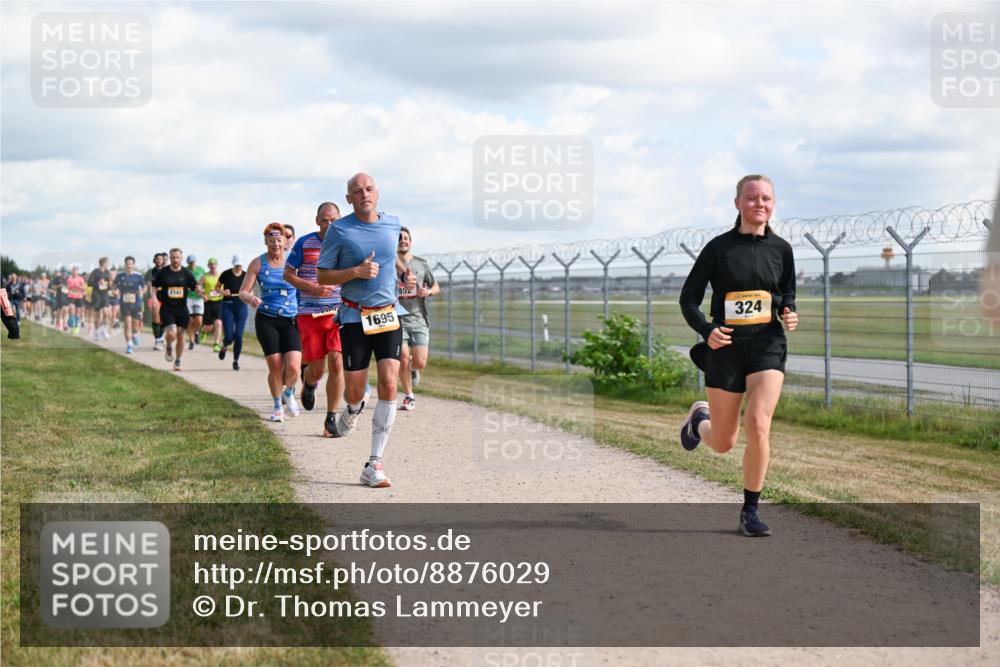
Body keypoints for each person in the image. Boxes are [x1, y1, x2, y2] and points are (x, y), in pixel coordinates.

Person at [678, 174, 798, 538]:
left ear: (772, 204)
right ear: (738, 204)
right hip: (725, 348)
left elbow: (787, 295)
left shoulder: (782, 250)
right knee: (724, 442)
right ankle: (700, 419)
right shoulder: (718, 249)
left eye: (765, 198)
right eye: (751, 198)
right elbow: (688, 299)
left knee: (759, 423)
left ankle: (750, 510)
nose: (759, 204)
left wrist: (789, 312)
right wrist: (707, 330)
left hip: (767, 346)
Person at [317, 173, 416, 488]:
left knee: (389, 383)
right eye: (357, 191)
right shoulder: (339, 230)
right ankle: (354, 407)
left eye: (369, 189)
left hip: (388, 314)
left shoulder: (392, 224)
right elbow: (322, 276)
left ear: (378, 193)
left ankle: (374, 463)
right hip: (354, 316)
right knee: (355, 390)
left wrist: (405, 276)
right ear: (349, 198)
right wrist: (354, 272)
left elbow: (392, 258)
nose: (364, 194)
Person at [284, 202, 346, 435]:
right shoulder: (304, 243)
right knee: (317, 369)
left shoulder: (346, 244)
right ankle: (309, 383)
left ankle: (331, 418)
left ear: (339, 220)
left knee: (337, 362)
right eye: (324, 220)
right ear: (317, 220)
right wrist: (312, 287)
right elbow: (288, 274)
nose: (328, 224)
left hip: (338, 313)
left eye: (333, 220)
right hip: (309, 313)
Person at [241, 222, 302, 422]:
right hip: (267, 319)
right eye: (271, 240)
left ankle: (290, 392)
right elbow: (243, 291)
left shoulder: (294, 262)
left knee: (293, 367)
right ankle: (277, 408)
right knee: (275, 365)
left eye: (279, 239)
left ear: (286, 241)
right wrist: (250, 298)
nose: (276, 243)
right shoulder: (258, 263)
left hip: (291, 319)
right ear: (266, 241)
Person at [396, 226, 439, 410]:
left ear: (410, 242)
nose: (403, 240)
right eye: (399, 238)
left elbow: (436, 286)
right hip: (397, 318)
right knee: (403, 357)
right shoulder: (389, 263)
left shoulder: (421, 264)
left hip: (418, 318)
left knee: (419, 361)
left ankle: (413, 370)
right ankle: (409, 395)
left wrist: (427, 291)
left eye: (406, 237)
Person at [153, 248, 200, 371]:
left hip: (182, 309)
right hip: (167, 308)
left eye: (177, 257)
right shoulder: (163, 272)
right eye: (173, 257)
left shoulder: (186, 273)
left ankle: (178, 360)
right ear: (170, 257)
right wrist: (153, 298)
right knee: (172, 332)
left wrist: (201, 291)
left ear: (181, 258)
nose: (175, 260)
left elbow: (195, 286)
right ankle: (168, 345)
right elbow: (154, 286)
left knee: (180, 335)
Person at [218, 255, 249, 370]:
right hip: (228, 306)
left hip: (241, 306)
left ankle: (236, 361)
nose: (238, 267)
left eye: (240, 265)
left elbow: (250, 289)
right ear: (233, 264)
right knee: (230, 336)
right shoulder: (226, 274)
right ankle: (225, 345)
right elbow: (217, 287)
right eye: (236, 265)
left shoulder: (246, 275)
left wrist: (248, 295)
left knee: (239, 336)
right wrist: (223, 291)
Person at [114, 256, 146, 354]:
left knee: (135, 326)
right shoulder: (120, 275)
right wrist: (115, 291)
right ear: (125, 265)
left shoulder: (138, 276)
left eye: (131, 264)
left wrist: (142, 292)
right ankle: (129, 345)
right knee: (127, 324)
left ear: (133, 265)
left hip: (136, 303)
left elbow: (145, 287)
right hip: (124, 303)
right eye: (127, 264)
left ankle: (135, 334)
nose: (129, 266)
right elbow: (113, 285)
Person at [199, 257, 225, 353]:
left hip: (219, 302)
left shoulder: (221, 276)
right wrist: (202, 295)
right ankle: (202, 332)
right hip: (208, 303)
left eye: (214, 264)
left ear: (217, 265)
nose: (213, 266)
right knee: (209, 326)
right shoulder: (205, 276)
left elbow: (226, 286)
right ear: (208, 266)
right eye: (211, 264)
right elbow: (198, 287)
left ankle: (216, 344)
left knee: (218, 323)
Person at [88, 257, 112, 340]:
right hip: (96, 295)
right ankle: (97, 332)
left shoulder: (107, 272)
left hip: (105, 294)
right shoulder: (95, 272)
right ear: (103, 263)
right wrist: (97, 283)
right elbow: (89, 283)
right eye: (107, 262)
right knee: (98, 316)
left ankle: (104, 329)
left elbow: (110, 284)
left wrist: (108, 284)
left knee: (106, 313)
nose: (108, 264)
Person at [146, 253, 167, 350]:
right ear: (154, 260)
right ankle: (158, 339)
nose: (159, 260)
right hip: (153, 297)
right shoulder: (150, 272)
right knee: (156, 317)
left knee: (162, 319)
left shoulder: (167, 271)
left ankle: (160, 339)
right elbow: (149, 286)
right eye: (157, 259)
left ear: (164, 261)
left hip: (165, 298)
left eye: (161, 259)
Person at [185, 254, 205, 350]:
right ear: (188, 263)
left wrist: (203, 290)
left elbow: (204, 282)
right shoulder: (185, 270)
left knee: (199, 320)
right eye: (190, 262)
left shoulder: (201, 270)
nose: (192, 264)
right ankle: (191, 341)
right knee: (190, 320)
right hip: (188, 298)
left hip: (198, 298)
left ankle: (196, 332)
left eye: (193, 262)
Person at [65, 266, 86, 333]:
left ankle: (76, 326)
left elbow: (84, 288)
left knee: (78, 313)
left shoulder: (81, 279)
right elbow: (66, 287)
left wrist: (79, 286)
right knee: (72, 310)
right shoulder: (69, 279)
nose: (74, 272)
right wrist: (69, 287)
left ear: (78, 272)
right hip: (71, 296)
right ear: (72, 272)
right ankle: (73, 325)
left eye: (76, 271)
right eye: (73, 271)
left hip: (79, 297)